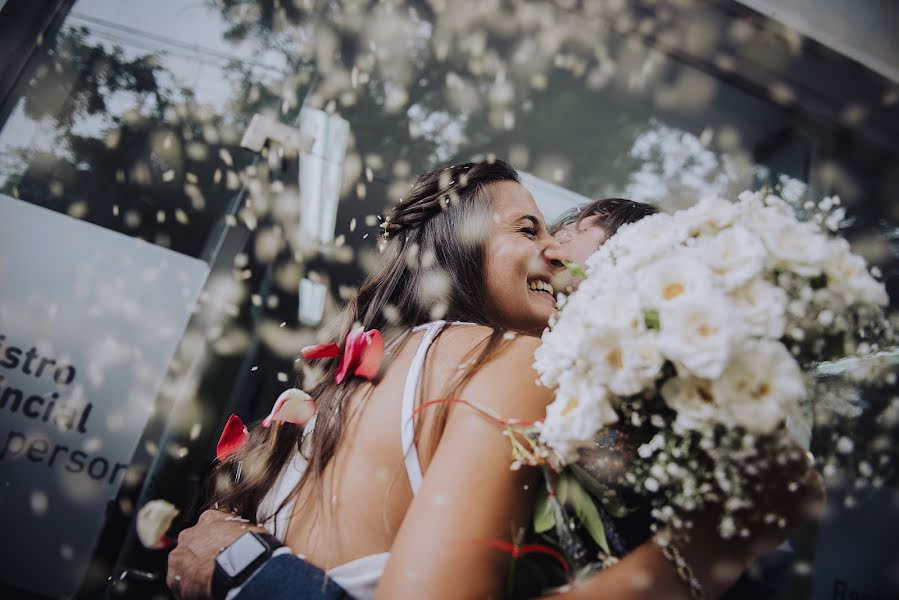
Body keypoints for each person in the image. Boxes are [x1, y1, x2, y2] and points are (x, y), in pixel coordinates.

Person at [168, 160, 822, 600]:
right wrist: (704, 550)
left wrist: (245, 568)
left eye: (570, 258)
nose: (551, 258)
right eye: (534, 232)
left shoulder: (362, 378)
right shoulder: (484, 369)